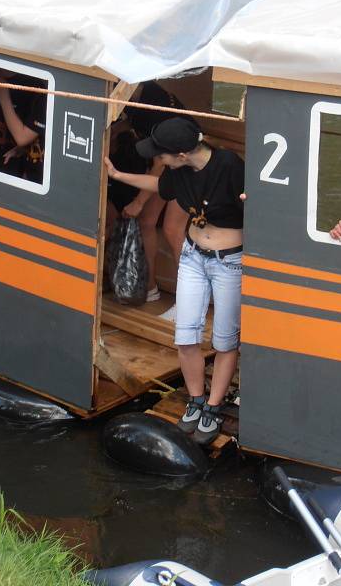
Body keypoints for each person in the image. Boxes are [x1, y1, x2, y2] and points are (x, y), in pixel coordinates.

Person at [105, 116, 245, 445]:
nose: (158, 160)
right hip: (193, 256)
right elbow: (161, 186)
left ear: (181, 154)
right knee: (185, 336)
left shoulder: (229, 165)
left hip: (230, 262)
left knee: (225, 339)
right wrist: (118, 174)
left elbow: (256, 198)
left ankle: (213, 405)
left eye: (161, 155)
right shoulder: (178, 171)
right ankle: (196, 399)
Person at [108, 82, 189, 303]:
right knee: (146, 222)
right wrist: (115, 131)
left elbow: (159, 165)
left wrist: (139, 202)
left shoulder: (155, 105)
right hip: (170, 164)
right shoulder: (134, 97)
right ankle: (151, 287)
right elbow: (132, 120)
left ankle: (190, 302)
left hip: (188, 165)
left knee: (173, 228)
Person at [0, 70, 47, 183]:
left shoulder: (43, 95)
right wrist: (23, 149)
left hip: (39, 179)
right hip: (28, 171)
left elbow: (22, 138)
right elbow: (36, 136)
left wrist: (3, 95)